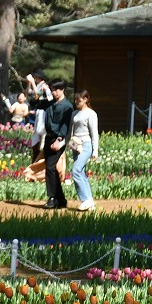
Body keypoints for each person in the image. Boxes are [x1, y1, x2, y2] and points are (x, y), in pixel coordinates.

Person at [42, 79, 74, 209]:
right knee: (51, 168)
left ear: (62, 90)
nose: (54, 92)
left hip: (58, 139)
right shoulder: (50, 104)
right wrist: (38, 90)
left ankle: (52, 197)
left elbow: (66, 125)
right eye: (52, 90)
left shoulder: (67, 106)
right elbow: (34, 103)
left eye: (56, 90)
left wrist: (60, 140)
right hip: (48, 138)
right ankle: (61, 199)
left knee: (50, 167)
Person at [69, 90, 100, 211]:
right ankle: (90, 201)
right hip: (75, 145)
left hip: (86, 145)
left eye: (79, 100)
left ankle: (85, 200)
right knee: (81, 173)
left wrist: (95, 150)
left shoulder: (91, 114)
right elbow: (70, 132)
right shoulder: (74, 114)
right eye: (75, 100)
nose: (76, 102)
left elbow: (94, 134)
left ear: (86, 99)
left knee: (75, 170)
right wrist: (66, 142)